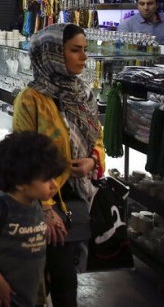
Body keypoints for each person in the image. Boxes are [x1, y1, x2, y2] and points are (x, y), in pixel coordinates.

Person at [13, 23, 106, 307]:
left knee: (67, 278)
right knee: (37, 280)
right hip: (42, 206)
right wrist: (47, 208)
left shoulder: (82, 94)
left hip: (77, 201)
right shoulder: (31, 100)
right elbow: (23, 158)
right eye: (75, 50)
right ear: (53, 53)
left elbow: (98, 138)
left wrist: (92, 160)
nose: (83, 57)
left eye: (85, 50)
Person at [0, 132, 67, 307]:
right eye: (46, 179)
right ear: (20, 182)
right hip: (2, 295)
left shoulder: (36, 204)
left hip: (29, 292)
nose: (54, 185)